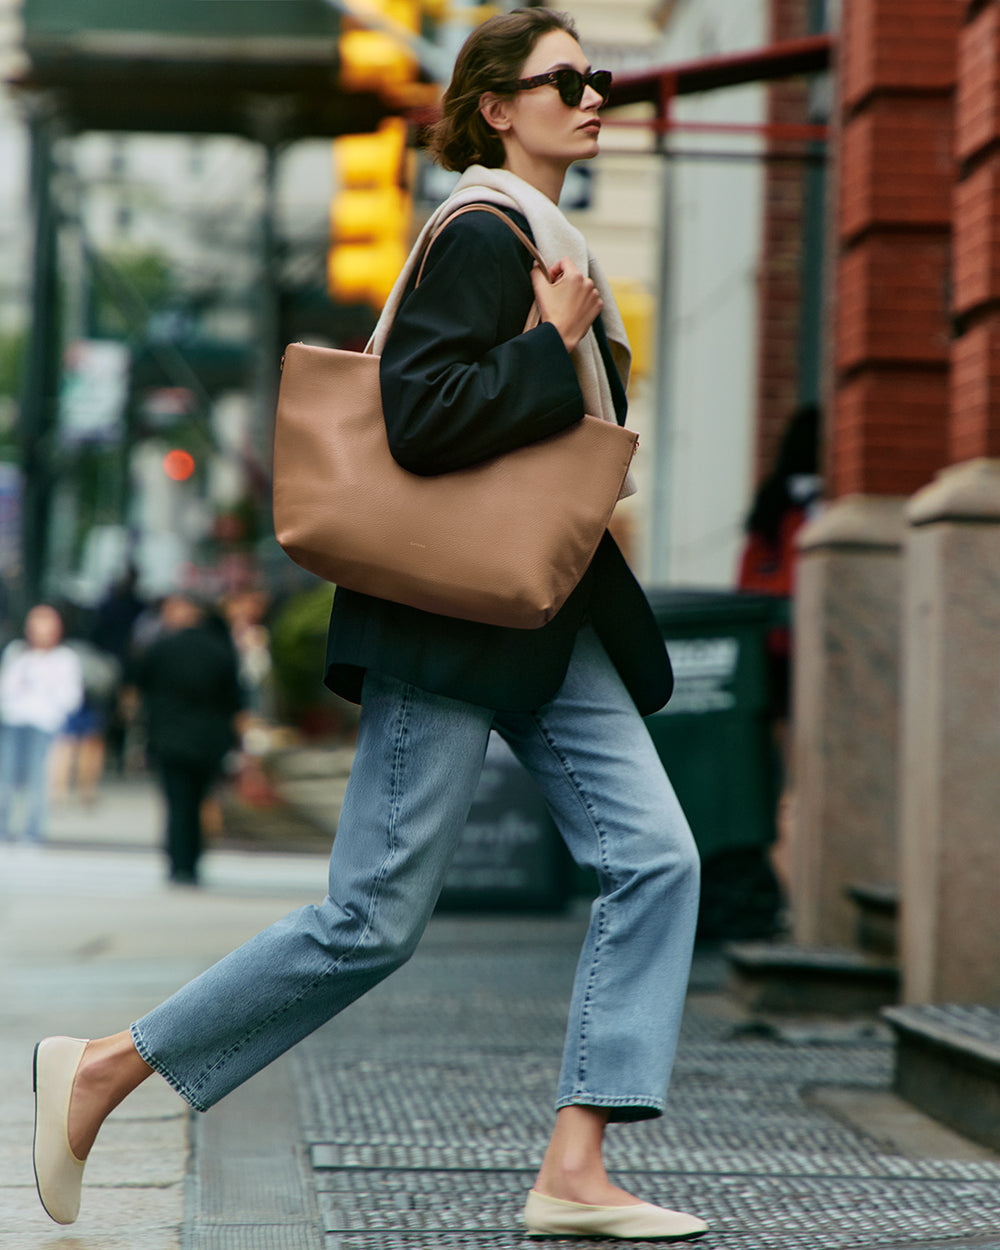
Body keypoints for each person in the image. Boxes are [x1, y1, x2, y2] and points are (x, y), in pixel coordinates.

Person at [32, 11, 705, 1240]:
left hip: (542, 614)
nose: (594, 93)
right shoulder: (484, 234)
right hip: (451, 616)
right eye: (567, 78)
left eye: (598, 76)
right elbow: (423, 415)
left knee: (657, 858)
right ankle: (105, 1069)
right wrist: (552, 349)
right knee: (370, 920)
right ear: (496, 105)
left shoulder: (547, 239)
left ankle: (576, 1162)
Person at [126, 593, 243, 885]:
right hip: (209, 739)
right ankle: (193, 860)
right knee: (199, 800)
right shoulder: (220, 649)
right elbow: (233, 699)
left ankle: (179, 863)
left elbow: (136, 686)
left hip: (169, 737)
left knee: (177, 803)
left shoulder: (160, 647)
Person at [0, 604, 83, 844]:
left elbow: (70, 696)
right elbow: (7, 687)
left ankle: (32, 830)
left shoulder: (65, 658)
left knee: (39, 779)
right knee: (5, 777)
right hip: (15, 720)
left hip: (45, 723)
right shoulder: (17, 652)